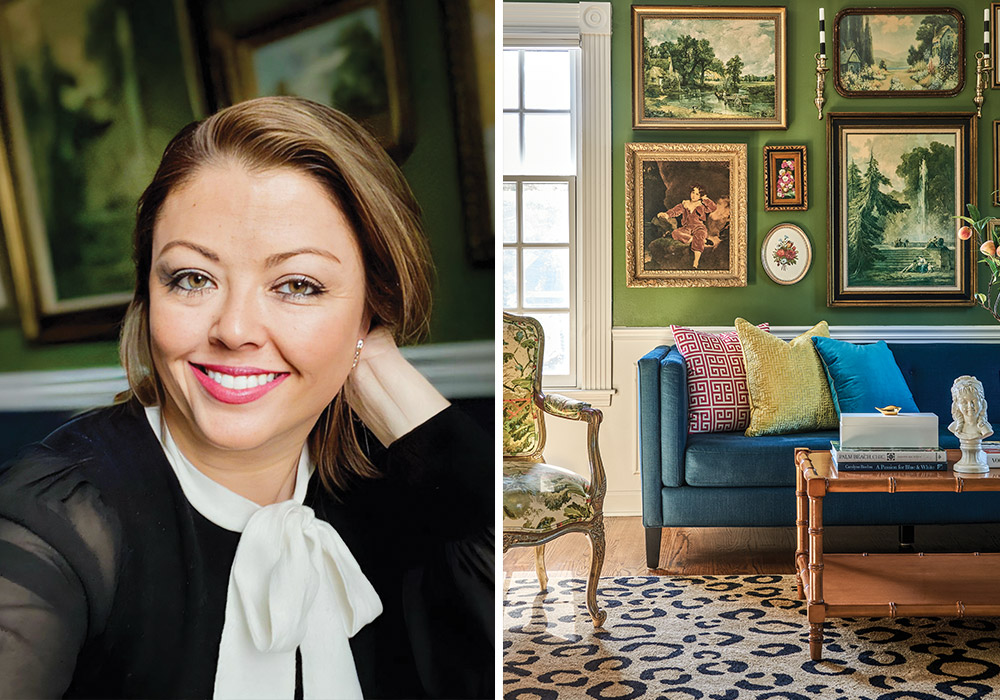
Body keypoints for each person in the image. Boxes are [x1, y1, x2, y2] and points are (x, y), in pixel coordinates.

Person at [0, 97, 493, 699]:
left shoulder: (395, 494)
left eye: (298, 286)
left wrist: (375, 362)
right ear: (148, 293)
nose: (234, 329)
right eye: (193, 279)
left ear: (374, 307)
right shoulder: (54, 516)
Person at [657, 184, 717, 269]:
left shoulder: (702, 206)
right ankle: (697, 240)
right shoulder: (685, 204)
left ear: (701, 196)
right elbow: (675, 211)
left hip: (699, 227)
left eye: (697, 194)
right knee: (675, 233)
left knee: (700, 234)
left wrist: (705, 199)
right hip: (686, 228)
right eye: (693, 192)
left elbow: (713, 208)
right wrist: (666, 214)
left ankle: (695, 262)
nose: (694, 195)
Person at [948, 375, 994, 441]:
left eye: (974, 401)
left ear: (982, 402)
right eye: (964, 402)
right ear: (956, 405)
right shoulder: (954, 427)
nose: (970, 406)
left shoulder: (985, 429)